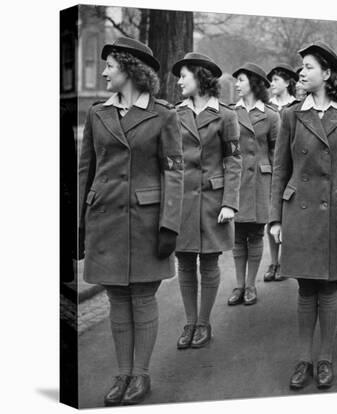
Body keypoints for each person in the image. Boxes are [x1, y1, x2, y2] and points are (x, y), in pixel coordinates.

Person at [78, 37, 184, 406]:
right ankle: (121, 373)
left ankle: (140, 375)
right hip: (105, 218)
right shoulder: (97, 113)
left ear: (130, 69)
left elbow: (174, 172)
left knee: (141, 297)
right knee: (116, 299)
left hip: (146, 221)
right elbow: (85, 172)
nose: (104, 71)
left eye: (110, 65)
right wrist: (78, 228)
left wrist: (169, 225)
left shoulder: (164, 115)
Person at [269, 42, 337, 390]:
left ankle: (324, 359)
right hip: (299, 210)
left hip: (336, 212)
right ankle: (303, 359)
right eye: (301, 67)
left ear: (327, 74)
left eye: (309, 67)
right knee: (305, 288)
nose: (302, 73)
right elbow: (280, 169)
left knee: (328, 288)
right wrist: (276, 219)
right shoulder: (291, 115)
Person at [171, 52, 242, 349]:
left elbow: (233, 160)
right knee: (185, 262)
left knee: (209, 263)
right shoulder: (175, 114)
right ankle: (189, 323)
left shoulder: (226, 115)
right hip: (183, 200)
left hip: (213, 200)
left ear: (200, 78)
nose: (178, 82)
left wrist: (229, 202)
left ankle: (204, 322)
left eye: (184, 76)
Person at [227, 63, 280, 305]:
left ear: (254, 84)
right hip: (238, 180)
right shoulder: (230, 113)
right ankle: (238, 285)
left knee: (256, 234)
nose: (237, 85)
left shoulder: (270, 115)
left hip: (260, 180)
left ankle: (250, 285)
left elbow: (276, 153)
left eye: (241, 80)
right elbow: (228, 149)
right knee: (238, 236)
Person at [263, 63, 299, 282]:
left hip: (293, 166)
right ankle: (273, 261)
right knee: (272, 215)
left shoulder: (296, 106)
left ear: (287, 82)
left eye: (276, 80)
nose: (272, 84)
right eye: (271, 81)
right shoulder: (267, 107)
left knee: (291, 214)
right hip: (272, 166)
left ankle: (287, 260)